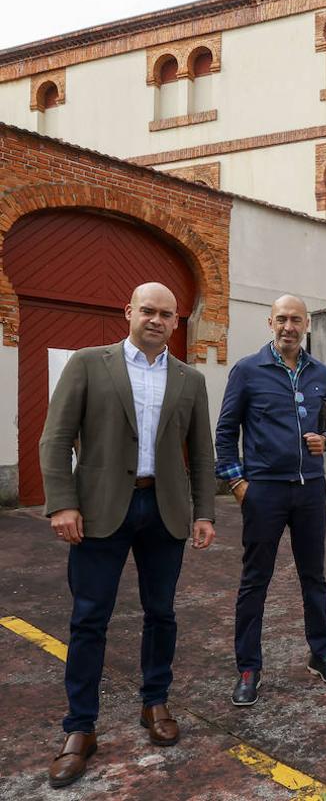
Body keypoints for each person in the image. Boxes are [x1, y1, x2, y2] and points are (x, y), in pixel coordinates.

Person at [39, 283, 215, 788]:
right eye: (147, 311)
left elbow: (200, 453)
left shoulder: (190, 379)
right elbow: (54, 438)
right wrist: (63, 503)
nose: (156, 320)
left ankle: (154, 702)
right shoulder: (90, 363)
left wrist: (204, 512)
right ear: (129, 312)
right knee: (89, 618)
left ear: (176, 322)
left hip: (165, 510)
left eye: (166, 314)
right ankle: (80, 728)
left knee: (161, 612)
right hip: (98, 511)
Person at [215, 294, 326, 707]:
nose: (289, 326)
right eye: (282, 319)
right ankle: (249, 668)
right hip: (265, 491)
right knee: (256, 580)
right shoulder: (247, 371)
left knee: (315, 577)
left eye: (296, 320)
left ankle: (321, 653)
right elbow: (224, 433)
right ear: (270, 323)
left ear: (306, 324)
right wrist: (239, 485)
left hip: (310, 491)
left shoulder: (321, 373)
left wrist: (325, 441)